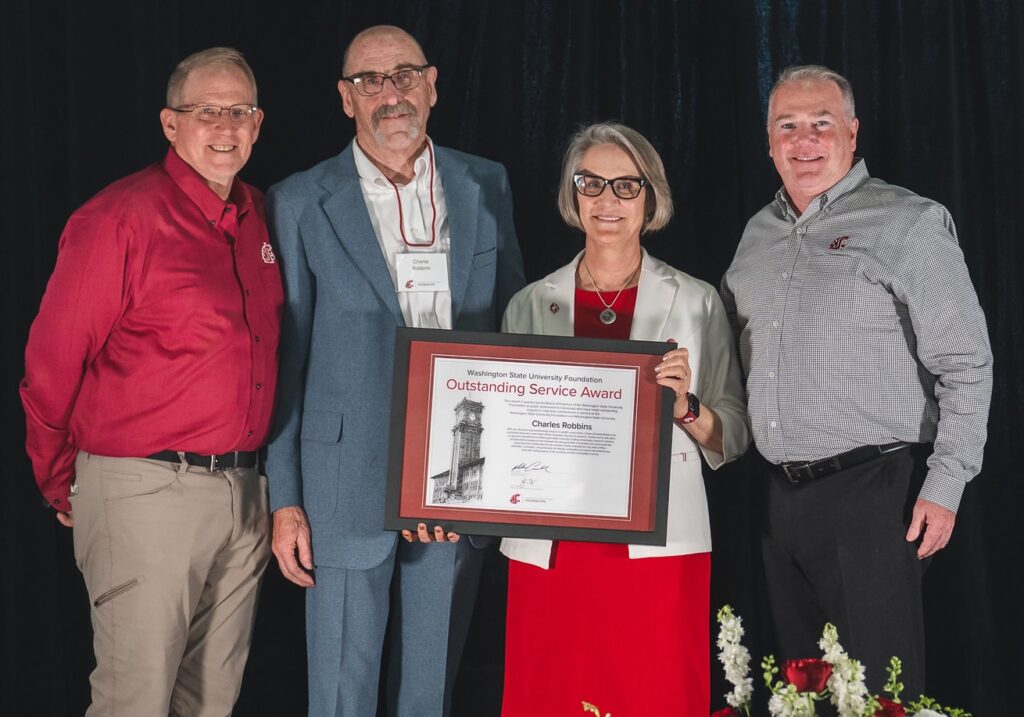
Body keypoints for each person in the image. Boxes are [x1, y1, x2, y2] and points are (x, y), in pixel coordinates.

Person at [265, 25, 525, 717]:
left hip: (459, 477)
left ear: (432, 85)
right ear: (345, 98)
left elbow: (513, 331)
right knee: (339, 695)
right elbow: (285, 358)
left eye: (404, 76)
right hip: (342, 482)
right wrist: (284, 498)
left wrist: (506, 478)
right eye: (369, 81)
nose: (390, 94)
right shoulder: (298, 201)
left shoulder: (486, 184)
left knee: (429, 692)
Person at [20, 47, 278, 715]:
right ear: (170, 123)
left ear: (258, 124)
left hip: (244, 493)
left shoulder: (259, 215)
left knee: (211, 702)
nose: (225, 128)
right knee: (134, 701)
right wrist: (61, 477)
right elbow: (51, 365)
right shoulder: (119, 218)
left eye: (240, 112)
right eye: (206, 111)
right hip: (144, 492)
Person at [720, 65, 993, 696]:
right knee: (802, 694)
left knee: (878, 695)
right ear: (768, 141)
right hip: (778, 499)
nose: (804, 140)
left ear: (852, 131)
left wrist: (946, 484)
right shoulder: (756, 235)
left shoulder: (909, 221)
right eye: (788, 125)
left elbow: (966, 364)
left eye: (821, 123)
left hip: (876, 494)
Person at [499, 123, 749, 715]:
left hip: (657, 547)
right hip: (554, 547)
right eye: (591, 183)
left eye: (626, 185)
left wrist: (686, 406)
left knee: (654, 694)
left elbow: (734, 434)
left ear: (650, 196)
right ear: (573, 194)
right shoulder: (529, 304)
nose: (607, 200)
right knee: (551, 696)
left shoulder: (696, 301)